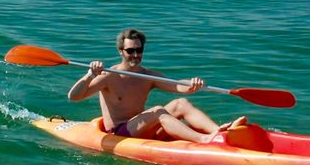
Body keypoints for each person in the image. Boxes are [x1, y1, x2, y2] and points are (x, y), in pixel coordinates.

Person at [68, 28, 245, 144]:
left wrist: (193, 84)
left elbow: (178, 87)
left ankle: (219, 132)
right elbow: (74, 97)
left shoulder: (147, 76)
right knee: (159, 111)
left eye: (139, 50)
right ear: (121, 51)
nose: (135, 55)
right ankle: (205, 139)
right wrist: (90, 74)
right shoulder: (108, 76)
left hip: (143, 126)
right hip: (120, 132)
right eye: (130, 51)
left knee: (180, 103)